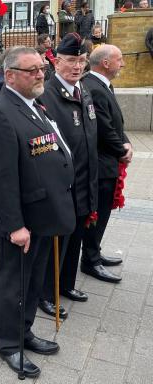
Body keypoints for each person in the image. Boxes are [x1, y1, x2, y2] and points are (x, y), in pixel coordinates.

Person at [0, 47, 75, 378]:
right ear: (10, 76)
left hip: (41, 215)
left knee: (33, 281)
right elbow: (0, 178)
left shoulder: (32, 106)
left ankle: (24, 331)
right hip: (19, 222)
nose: (40, 75)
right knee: (13, 283)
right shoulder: (1, 112)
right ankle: (9, 343)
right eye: (32, 70)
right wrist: (15, 226)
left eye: (42, 69)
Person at [37, 33, 98, 319]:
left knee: (75, 239)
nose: (77, 66)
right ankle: (46, 294)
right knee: (55, 244)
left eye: (82, 61)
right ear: (56, 61)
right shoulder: (47, 95)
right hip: (62, 186)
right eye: (71, 61)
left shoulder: (82, 90)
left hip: (84, 181)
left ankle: (66, 285)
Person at [82, 45, 130, 283]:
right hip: (101, 165)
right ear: (106, 63)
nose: (122, 64)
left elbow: (116, 123)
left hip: (108, 160)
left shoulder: (102, 85)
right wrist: (122, 150)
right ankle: (90, 261)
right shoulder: (94, 88)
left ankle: (95, 253)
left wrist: (126, 143)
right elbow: (103, 129)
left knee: (101, 215)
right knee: (96, 215)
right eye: (119, 59)